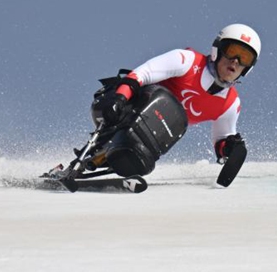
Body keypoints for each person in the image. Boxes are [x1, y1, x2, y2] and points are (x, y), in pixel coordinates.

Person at [52, 23, 261, 188]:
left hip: (150, 131)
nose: (235, 61)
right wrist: (119, 98)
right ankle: (76, 165)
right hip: (117, 106)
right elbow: (140, 75)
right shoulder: (187, 61)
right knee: (163, 102)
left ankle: (104, 160)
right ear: (218, 50)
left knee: (152, 142)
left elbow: (221, 140)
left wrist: (230, 149)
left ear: (248, 68)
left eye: (244, 58)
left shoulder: (230, 104)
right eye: (232, 51)